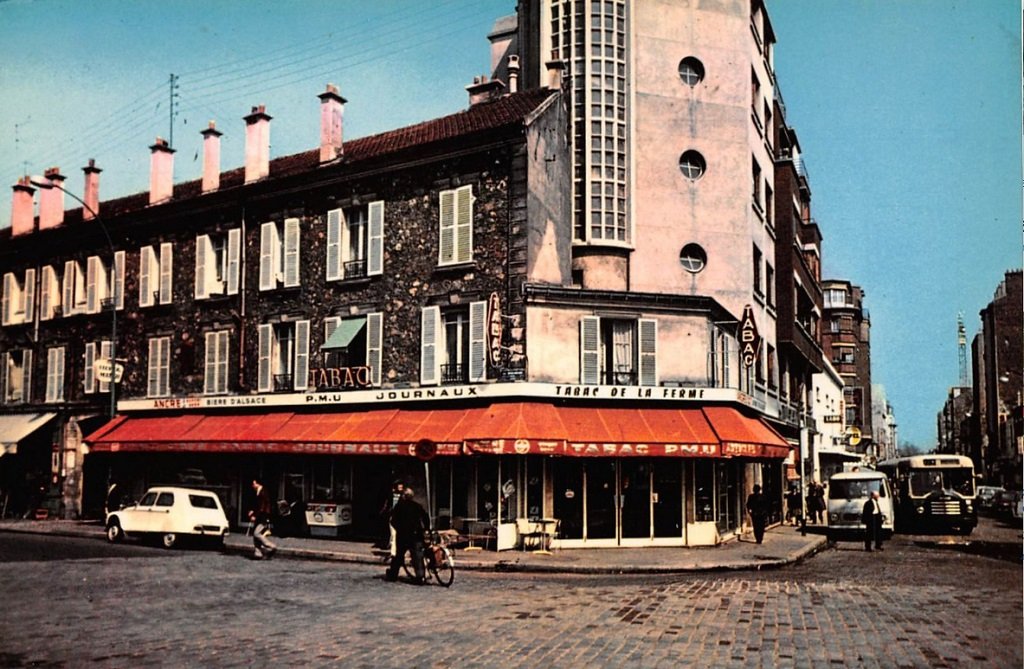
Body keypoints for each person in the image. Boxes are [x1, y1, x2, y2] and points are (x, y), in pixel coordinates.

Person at [385, 488, 430, 584]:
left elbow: (393, 521)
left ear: (404, 496)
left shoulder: (399, 506)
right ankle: (421, 576)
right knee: (418, 556)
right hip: (416, 534)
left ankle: (393, 575)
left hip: (403, 535)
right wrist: (426, 529)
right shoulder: (417, 506)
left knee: (398, 556)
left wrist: (399, 529)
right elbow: (425, 518)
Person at [249, 478, 277, 559]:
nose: (253, 486)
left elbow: (262, 507)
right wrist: (252, 511)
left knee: (256, 533)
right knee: (255, 535)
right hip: (260, 516)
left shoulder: (263, 492)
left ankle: (271, 546)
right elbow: (257, 506)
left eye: (254, 484)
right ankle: (258, 552)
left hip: (263, 517)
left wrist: (255, 515)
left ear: (258, 484)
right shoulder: (258, 492)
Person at [376, 479, 404, 550]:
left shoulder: (404, 495)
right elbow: (387, 504)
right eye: (399, 485)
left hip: (401, 515)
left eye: (401, 486)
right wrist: (384, 511)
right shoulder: (391, 495)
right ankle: (391, 545)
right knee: (392, 531)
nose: (401, 487)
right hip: (392, 515)